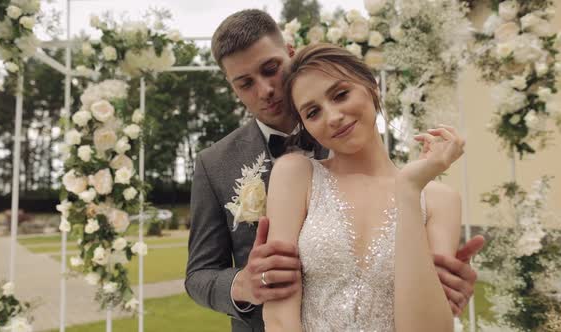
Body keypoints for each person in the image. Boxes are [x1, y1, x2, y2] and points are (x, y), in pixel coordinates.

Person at [185, 9, 484, 332]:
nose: (266, 90)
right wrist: (243, 285)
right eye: (245, 84)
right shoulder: (215, 164)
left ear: (290, 54)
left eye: (271, 69)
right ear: (234, 89)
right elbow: (199, 275)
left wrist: (443, 285)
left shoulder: (362, 141)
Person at [263, 43, 466, 331]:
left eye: (341, 94)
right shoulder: (295, 176)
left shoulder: (439, 201)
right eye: (313, 113)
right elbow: (279, 316)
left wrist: (408, 190)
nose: (332, 117)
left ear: (372, 86)